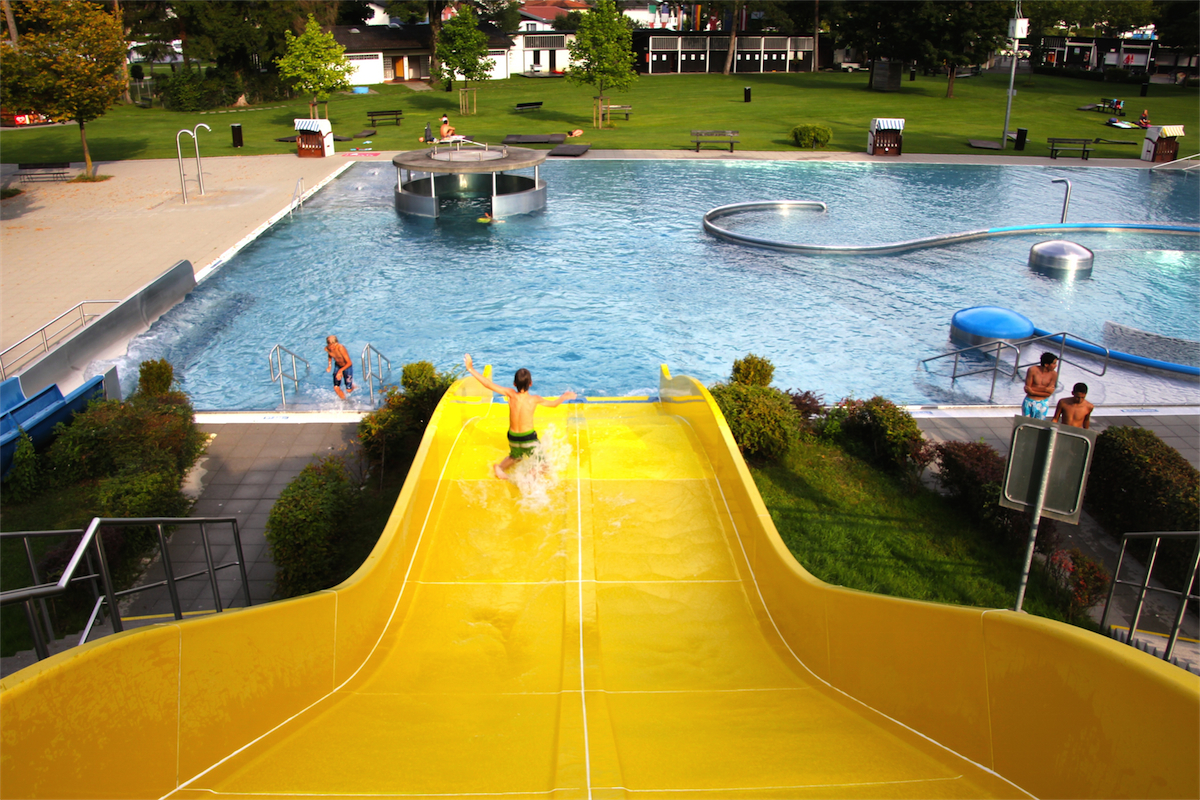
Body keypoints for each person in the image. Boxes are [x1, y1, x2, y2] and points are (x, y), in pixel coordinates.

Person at [463, 354, 576, 480]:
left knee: (516, 456)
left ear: (514, 383)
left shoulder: (510, 394)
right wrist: (564, 397)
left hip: (512, 436)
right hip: (528, 437)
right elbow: (554, 404)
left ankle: (500, 468)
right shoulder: (535, 399)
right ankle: (527, 477)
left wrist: (470, 368)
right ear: (530, 383)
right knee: (544, 465)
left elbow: (488, 384)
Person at [1022, 352, 1058, 419]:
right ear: (1046, 364)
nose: (1056, 366)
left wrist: (1033, 392)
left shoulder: (1054, 374)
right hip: (1029, 401)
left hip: (1043, 402)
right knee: (1025, 422)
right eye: (1054, 363)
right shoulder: (1032, 370)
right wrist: (1045, 389)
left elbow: (1049, 393)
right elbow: (1027, 388)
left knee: (1039, 423)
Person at [325, 335, 354, 400]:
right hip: (338, 366)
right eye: (330, 346)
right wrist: (329, 366)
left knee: (348, 390)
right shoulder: (328, 348)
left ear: (336, 343)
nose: (331, 348)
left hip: (347, 367)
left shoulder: (341, 348)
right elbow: (330, 356)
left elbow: (349, 363)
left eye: (333, 346)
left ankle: (353, 387)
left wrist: (340, 371)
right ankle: (344, 400)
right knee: (336, 387)